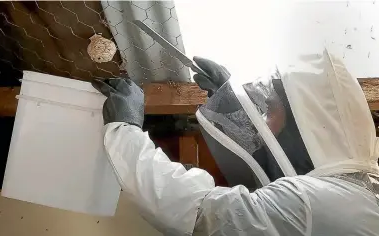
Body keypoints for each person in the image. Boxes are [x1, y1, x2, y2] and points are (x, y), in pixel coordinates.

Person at [91, 48, 379, 235]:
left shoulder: (307, 204)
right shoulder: (359, 190)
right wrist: (231, 102)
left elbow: (190, 209)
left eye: (270, 108)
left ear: (305, 126)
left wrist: (124, 128)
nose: (265, 120)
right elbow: (276, 168)